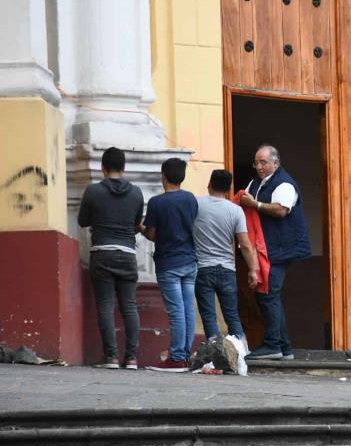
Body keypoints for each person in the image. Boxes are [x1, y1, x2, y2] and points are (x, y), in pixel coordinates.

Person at [238, 145, 311, 360]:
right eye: (256, 162)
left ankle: (273, 345)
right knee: (267, 296)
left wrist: (256, 204)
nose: (259, 167)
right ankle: (284, 347)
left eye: (264, 162)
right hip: (265, 248)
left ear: (275, 163)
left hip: (281, 248)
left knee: (269, 295)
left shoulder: (285, 183)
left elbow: (281, 210)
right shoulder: (255, 183)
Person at [78, 147, 144, 370]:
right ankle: (132, 358)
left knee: (105, 306)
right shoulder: (136, 193)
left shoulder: (93, 191)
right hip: (127, 254)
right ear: (123, 168)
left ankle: (112, 358)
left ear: (103, 168)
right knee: (129, 306)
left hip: (102, 253)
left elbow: (82, 221)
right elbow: (136, 224)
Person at [141, 158, 198, 372]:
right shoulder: (191, 199)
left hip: (169, 263)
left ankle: (175, 358)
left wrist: (142, 228)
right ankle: (184, 355)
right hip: (190, 260)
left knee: (176, 311)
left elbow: (152, 234)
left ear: (163, 175)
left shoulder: (157, 203)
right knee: (187, 310)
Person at [194, 169, 259, 340]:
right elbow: (244, 244)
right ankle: (240, 355)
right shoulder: (236, 211)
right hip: (227, 270)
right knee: (232, 316)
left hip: (203, 268)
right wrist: (253, 270)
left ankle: (215, 357)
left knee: (209, 317)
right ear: (229, 189)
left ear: (209, 185)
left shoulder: (196, 204)